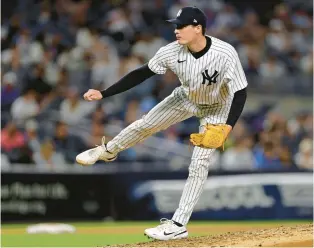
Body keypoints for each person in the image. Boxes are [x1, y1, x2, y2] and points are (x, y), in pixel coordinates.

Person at [76, 7, 247, 241]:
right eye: (175, 25)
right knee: (145, 124)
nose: (176, 30)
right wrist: (104, 93)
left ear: (198, 28)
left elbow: (240, 92)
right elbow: (141, 73)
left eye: (182, 25)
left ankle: (178, 224)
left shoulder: (225, 52)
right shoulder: (171, 51)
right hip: (186, 98)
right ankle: (107, 151)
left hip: (218, 108)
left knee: (200, 163)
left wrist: (227, 128)